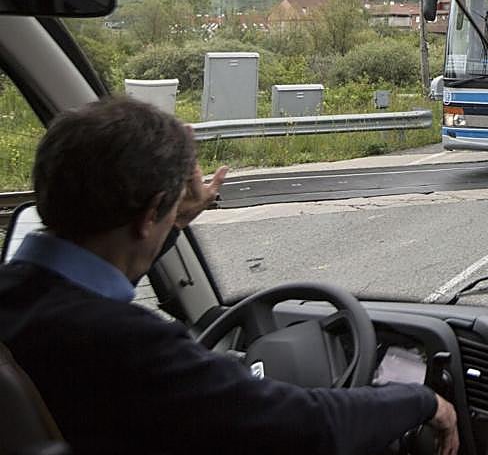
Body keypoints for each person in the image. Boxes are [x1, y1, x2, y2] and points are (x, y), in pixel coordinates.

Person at [0, 97, 458, 455]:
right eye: (169, 210)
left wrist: (172, 219)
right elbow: (306, 432)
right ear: (149, 214)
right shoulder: (125, 346)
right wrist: (422, 402)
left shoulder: (19, 301)